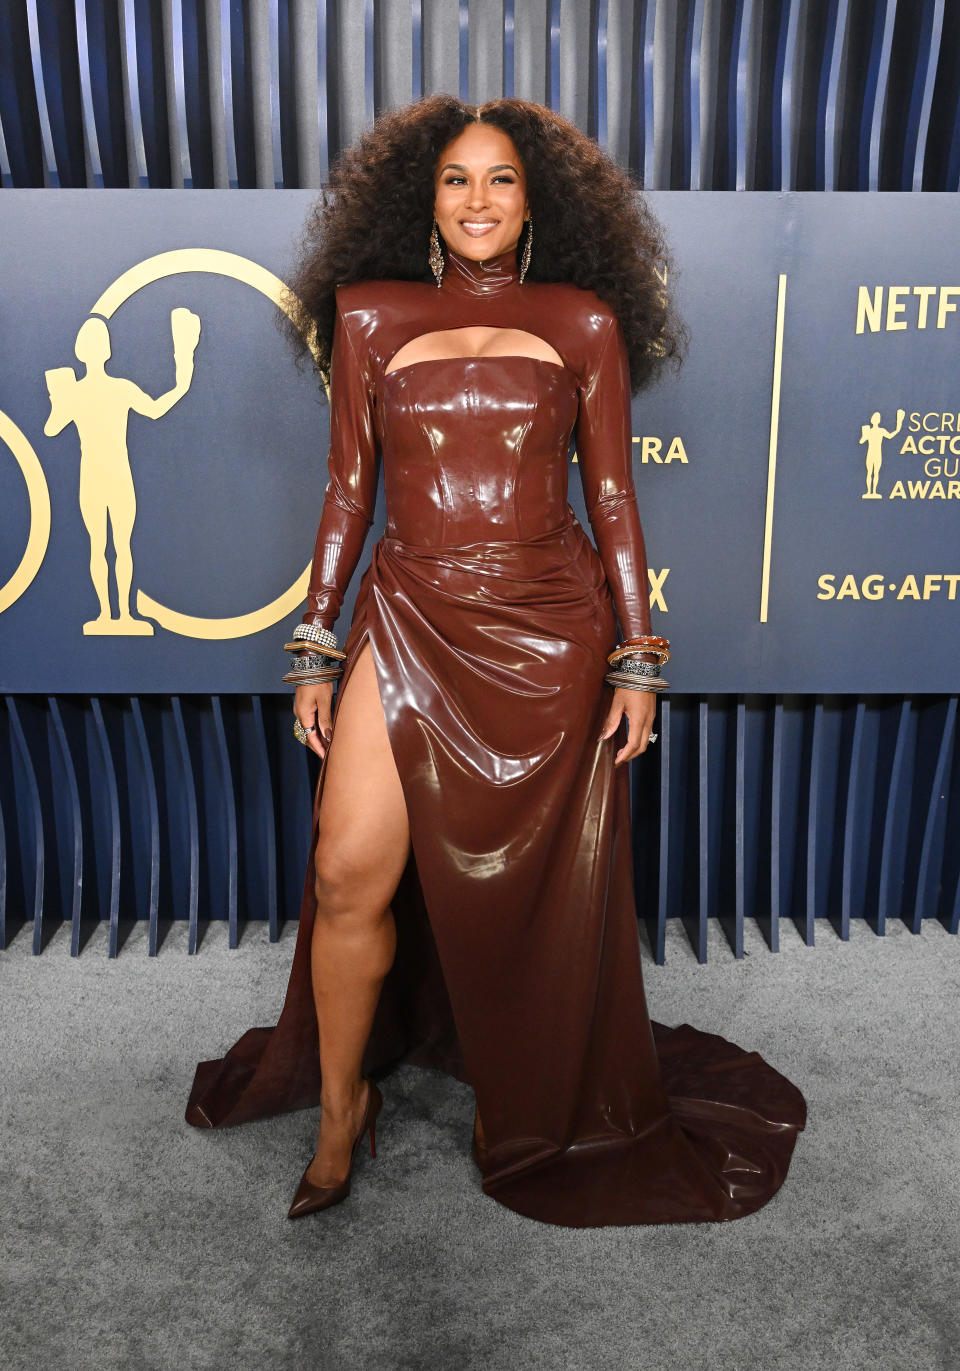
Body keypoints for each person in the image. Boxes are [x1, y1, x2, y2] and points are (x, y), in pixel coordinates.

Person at [185, 95, 806, 1227]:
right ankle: (340, 1110)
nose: (479, 200)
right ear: (423, 198)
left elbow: (611, 497)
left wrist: (637, 658)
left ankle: (519, 1097)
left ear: (538, 202)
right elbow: (348, 493)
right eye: (458, 180)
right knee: (342, 871)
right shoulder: (369, 317)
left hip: (547, 627)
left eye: (503, 180)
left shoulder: (583, 322)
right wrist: (320, 643)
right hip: (411, 611)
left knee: (521, 892)